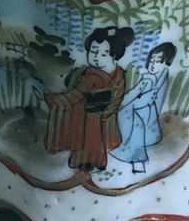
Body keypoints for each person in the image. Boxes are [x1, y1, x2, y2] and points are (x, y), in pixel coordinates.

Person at [43, 26, 133, 173]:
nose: (96, 57)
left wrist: (49, 100)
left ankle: (83, 165)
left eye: (104, 53)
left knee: (86, 141)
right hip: (102, 117)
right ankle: (97, 163)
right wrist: (107, 113)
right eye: (93, 51)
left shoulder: (92, 76)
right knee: (95, 143)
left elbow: (72, 98)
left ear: (115, 55)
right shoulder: (118, 75)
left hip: (89, 118)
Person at [114, 40, 177, 176]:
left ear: (166, 63)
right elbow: (133, 93)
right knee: (127, 114)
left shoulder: (156, 78)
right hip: (143, 110)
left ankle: (137, 159)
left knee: (133, 121)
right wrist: (121, 101)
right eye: (152, 61)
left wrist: (123, 103)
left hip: (144, 112)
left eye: (158, 61)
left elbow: (141, 97)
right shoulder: (151, 78)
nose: (153, 65)